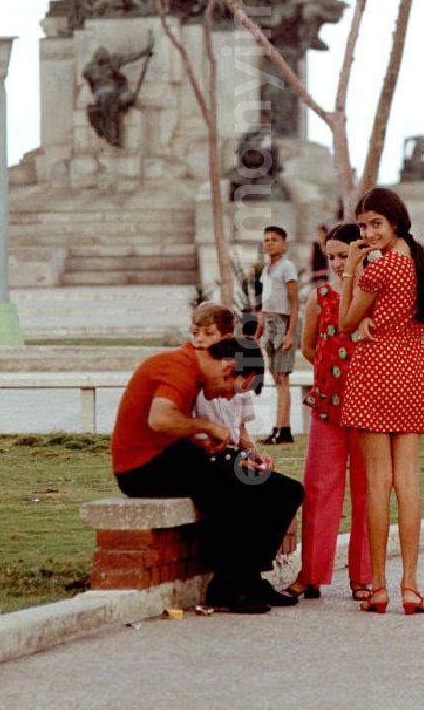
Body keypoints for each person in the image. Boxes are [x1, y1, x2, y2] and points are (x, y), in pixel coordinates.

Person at [111, 334, 303, 614]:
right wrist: (209, 428)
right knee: (233, 487)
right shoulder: (177, 367)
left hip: (168, 457)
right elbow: (160, 419)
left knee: (286, 491)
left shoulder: (190, 369)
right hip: (141, 468)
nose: (228, 396)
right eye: (231, 388)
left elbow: (170, 428)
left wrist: (204, 444)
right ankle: (228, 584)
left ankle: (249, 577)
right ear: (227, 368)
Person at [339, 187, 424, 615]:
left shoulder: (379, 268)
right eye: (363, 226)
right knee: (409, 483)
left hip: (375, 370)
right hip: (412, 371)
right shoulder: (420, 264)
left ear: (395, 222)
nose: (368, 233)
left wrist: (351, 269)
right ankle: (411, 586)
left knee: (378, 484)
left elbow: (347, 323)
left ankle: (380, 586)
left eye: (375, 224)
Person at [287, 222, 372, 602]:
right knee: (320, 490)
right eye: (333, 257)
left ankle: (364, 577)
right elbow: (308, 348)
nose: (338, 263)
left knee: (367, 493)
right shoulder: (319, 297)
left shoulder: (375, 296)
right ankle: (312, 574)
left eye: (345, 255)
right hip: (326, 405)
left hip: (371, 408)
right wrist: (332, 371)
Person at [191, 302, 257, 450]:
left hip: (231, 453)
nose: (199, 339)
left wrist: (254, 457)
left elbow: (241, 429)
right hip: (203, 452)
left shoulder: (239, 376)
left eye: (208, 333)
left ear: (227, 338)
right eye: (195, 333)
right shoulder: (191, 379)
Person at [257, 226, 299, 445]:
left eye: (274, 239)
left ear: (284, 243)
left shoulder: (287, 267)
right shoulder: (267, 270)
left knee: (283, 377)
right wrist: (258, 332)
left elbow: (293, 302)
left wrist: (290, 333)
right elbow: (264, 305)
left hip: (283, 322)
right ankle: (279, 427)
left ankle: (283, 429)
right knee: (276, 378)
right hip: (270, 324)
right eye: (266, 239)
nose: (269, 243)